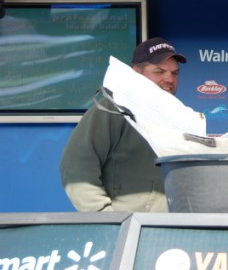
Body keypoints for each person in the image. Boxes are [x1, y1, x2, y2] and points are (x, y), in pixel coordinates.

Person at [59, 37, 187, 212]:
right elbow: (75, 167)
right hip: (124, 227)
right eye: (159, 71)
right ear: (136, 72)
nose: (169, 79)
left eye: (175, 73)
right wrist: (105, 218)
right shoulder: (112, 109)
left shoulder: (181, 116)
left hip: (167, 227)